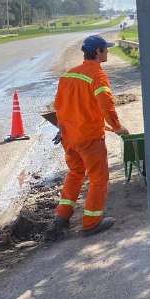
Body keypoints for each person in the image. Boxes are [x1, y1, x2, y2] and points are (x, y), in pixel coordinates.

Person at [51, 34, 129, 237]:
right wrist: (117, 126)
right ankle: (91, 223)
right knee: (98, 179)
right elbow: (106, 104)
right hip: (89, 139)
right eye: (106, 49)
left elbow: (58, 105)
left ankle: (62, 215)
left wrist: (62, 128)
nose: (108, 52)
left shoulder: (68, 75)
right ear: (98, 52)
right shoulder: (97, 75)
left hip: (69, 137)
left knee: (75, 174)